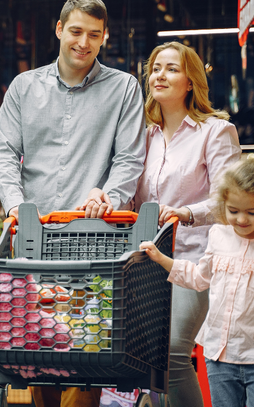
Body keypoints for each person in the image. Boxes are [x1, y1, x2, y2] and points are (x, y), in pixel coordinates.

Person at [0, 0, 146, 405]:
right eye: (76, 31)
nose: (84, 42)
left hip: (94, 242)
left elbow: (129, 157)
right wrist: (14, 207)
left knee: (87, 352)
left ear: (104, 37)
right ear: (59, 29)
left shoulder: (124, 88)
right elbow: (4, 153)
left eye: (94, 35)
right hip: (33, 241)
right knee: (39, 351)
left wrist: (110, 197)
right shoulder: (24, 87)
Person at [133, 41, 241, 406]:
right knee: (149, 359)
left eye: (172, 68)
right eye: (156, 68)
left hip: (196, 259)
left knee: (174, 352)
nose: (160, 75)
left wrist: (186, 212)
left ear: (190, 81)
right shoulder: (141, 136)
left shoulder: (215, 131)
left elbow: (231, 199)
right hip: (146, 261)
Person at [140, 158, 254, 407]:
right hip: (219, 356)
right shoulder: (219, 235)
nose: (242, 219)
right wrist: (162, 259)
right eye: (233, 211)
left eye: (251, 212)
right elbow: (200, 277)